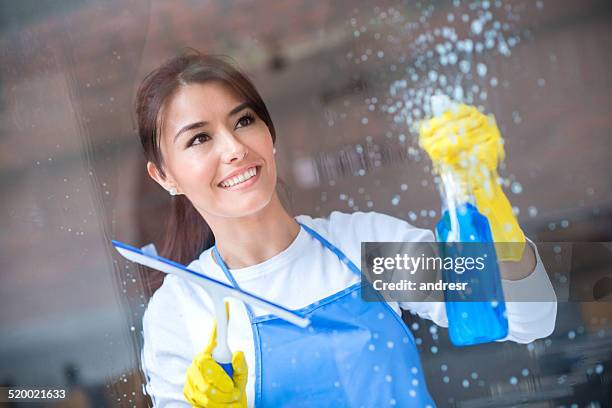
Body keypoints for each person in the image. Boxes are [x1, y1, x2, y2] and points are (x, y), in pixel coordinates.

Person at [137, 49, 557, 407]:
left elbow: (530, 318)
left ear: (270, 133)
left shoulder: (361, 247)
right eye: (199, 139)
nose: (234, 148)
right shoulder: (182, 308)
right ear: (165, 177)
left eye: (243, 121)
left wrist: (481, 193)